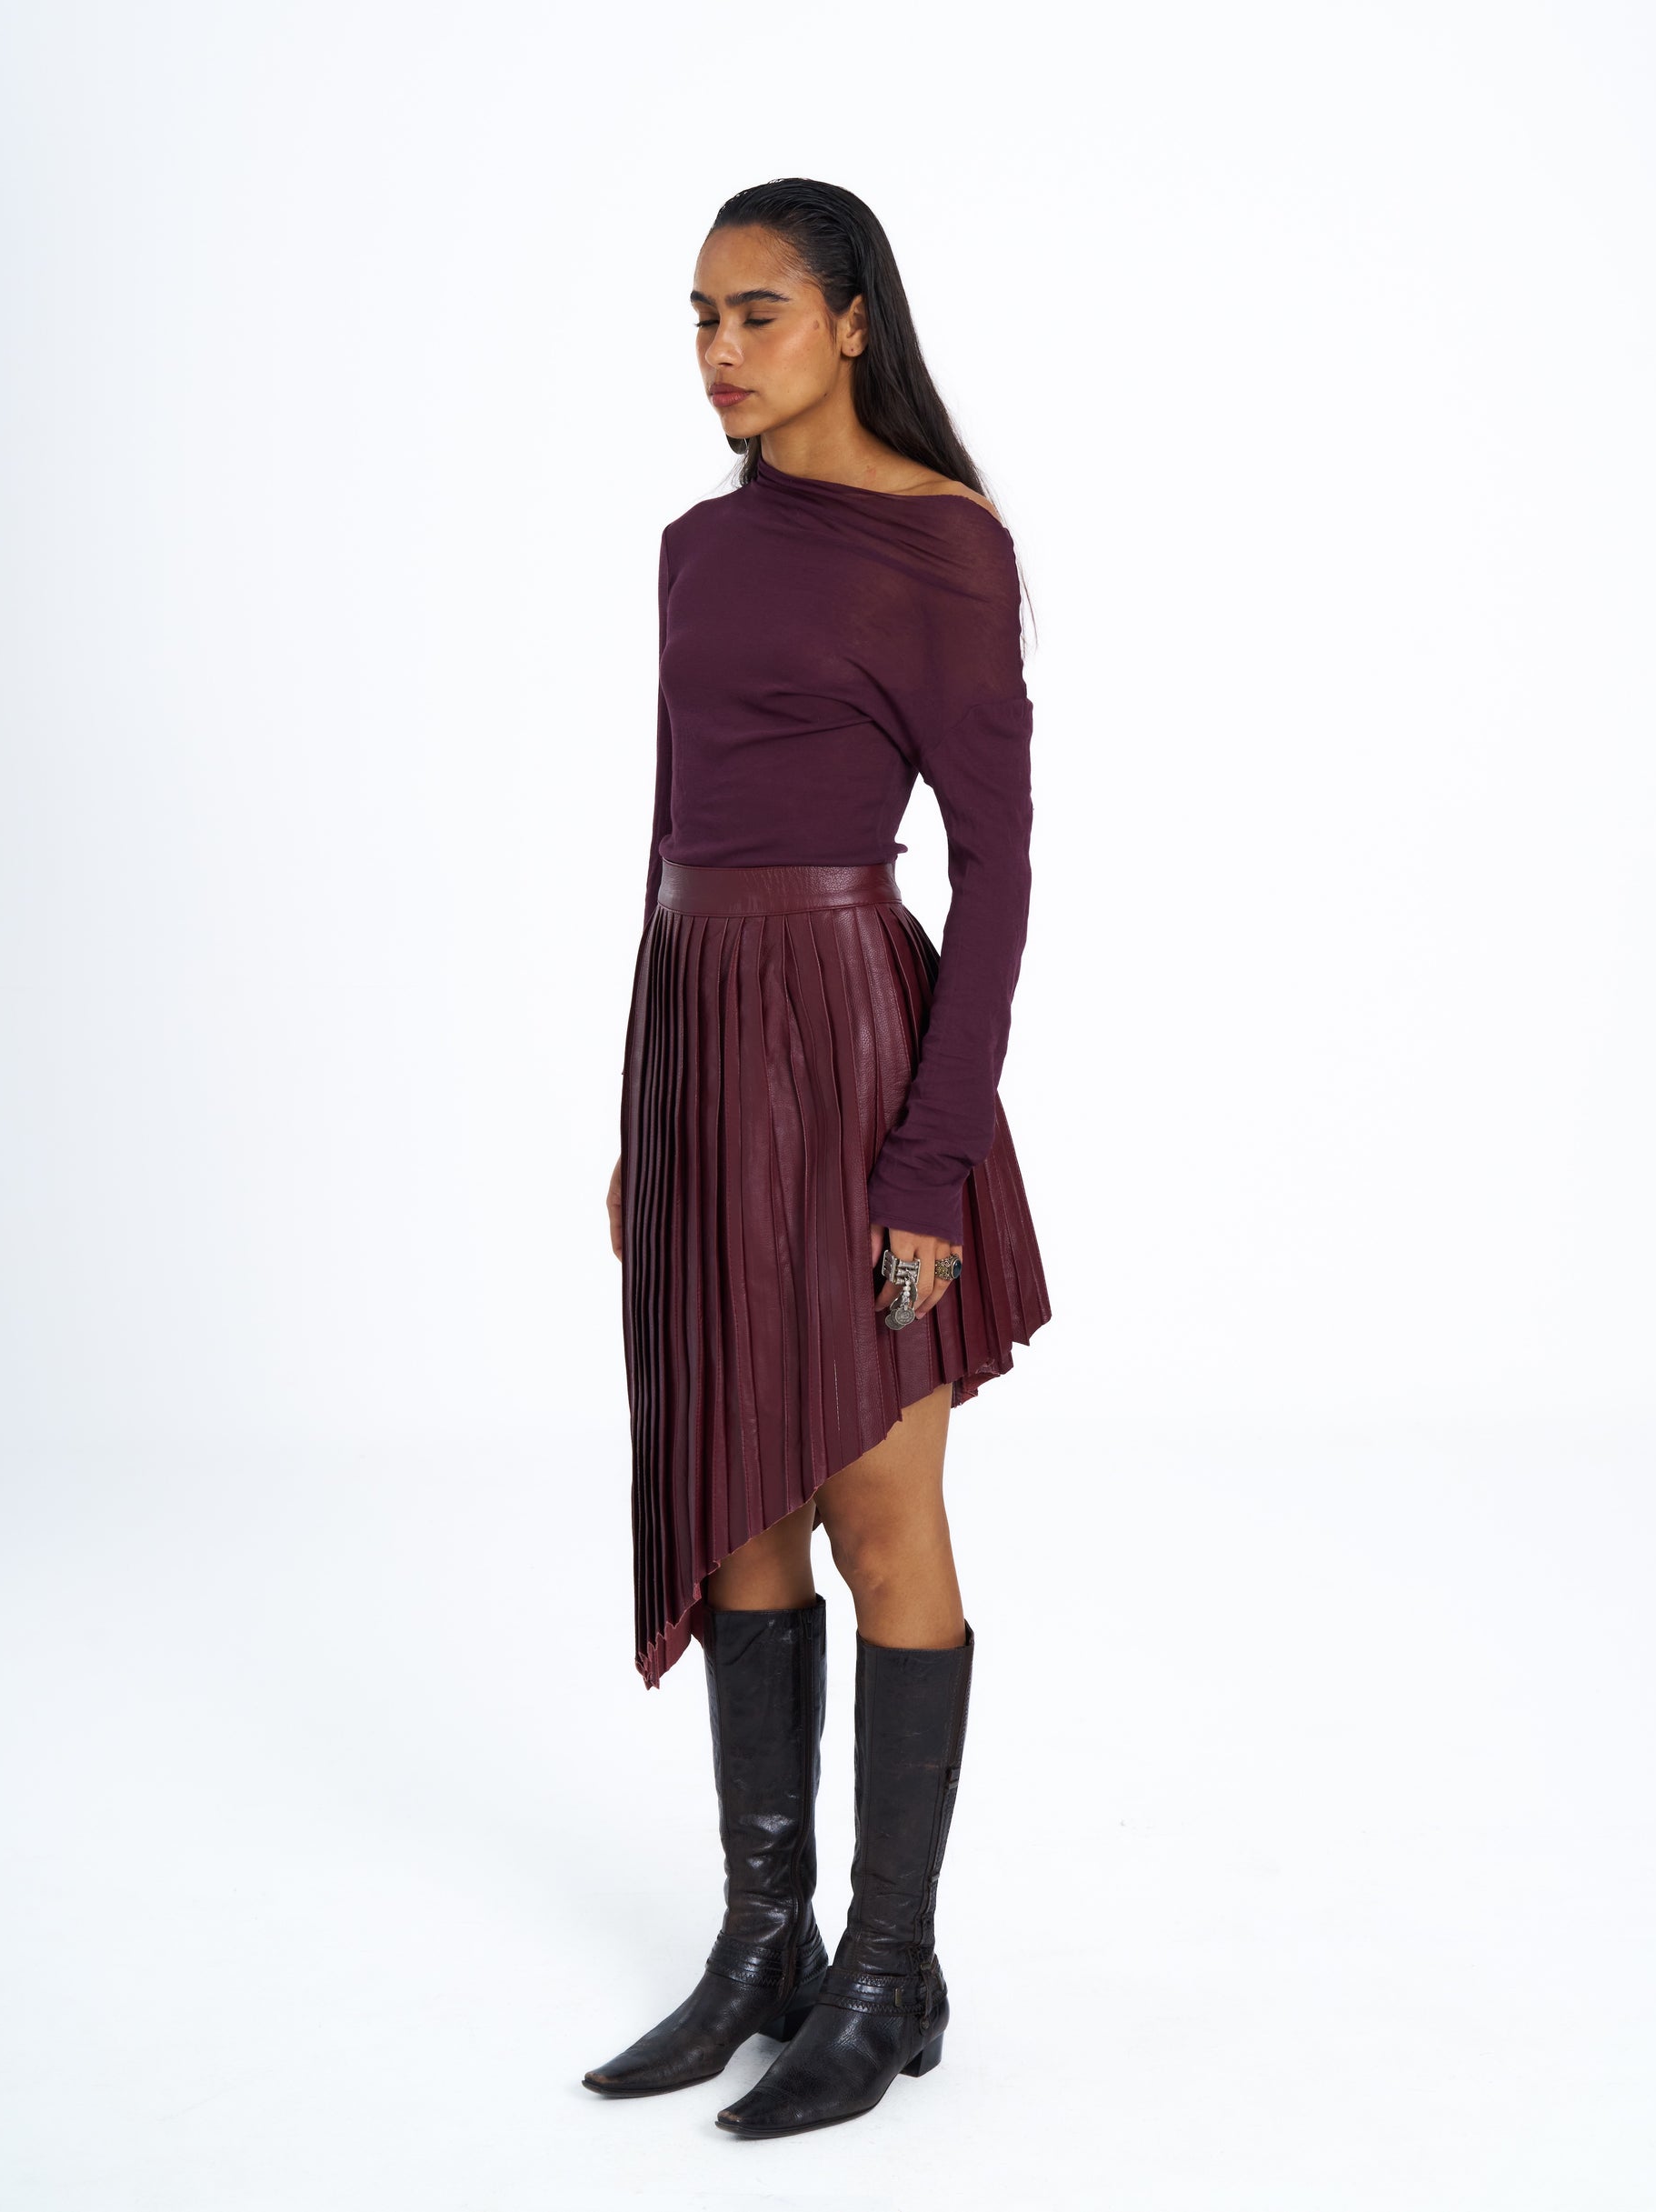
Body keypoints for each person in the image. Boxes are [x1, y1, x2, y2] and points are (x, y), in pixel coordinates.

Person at [584, 177, 1052, 2140]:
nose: (718, 350)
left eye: (755, 311)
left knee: (876, 1506)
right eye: (699, 316)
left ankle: (885, 1966)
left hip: (855, 1046)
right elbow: (671, 836)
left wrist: (928, 1166)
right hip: (704, 1038)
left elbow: (997, 867)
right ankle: (762, 1940)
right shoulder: (697, 550)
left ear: (852, 320)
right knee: (737, 1505)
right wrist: (642, 1111)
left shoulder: (943, 546)